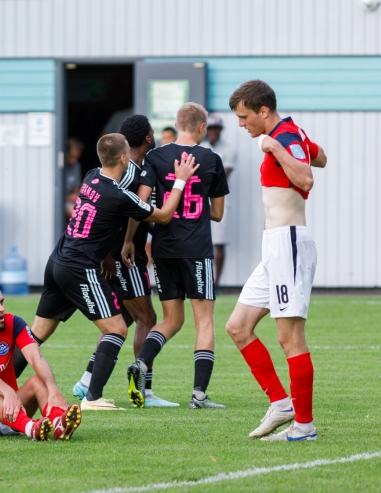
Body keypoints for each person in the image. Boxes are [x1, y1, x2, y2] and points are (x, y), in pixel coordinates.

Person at [26, 133, 198, 411]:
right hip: (78, 267)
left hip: (57, 259)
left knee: (35, 336)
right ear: (123, 158)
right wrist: (180, 180)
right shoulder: (118, 196)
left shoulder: (91, 177)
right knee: (117, 328)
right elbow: (164, 215)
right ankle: (92, 397)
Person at [224, 80, 326, 442]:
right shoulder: (292, 134)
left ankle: (305, 427)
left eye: (244, 117)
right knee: (238, 327)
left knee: (289, 338)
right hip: (274, 248)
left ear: (263, 111)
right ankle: (281, 404)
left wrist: (276, 146)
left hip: (289, 244)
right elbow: (321, 157)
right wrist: (295, 145)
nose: (242, 124)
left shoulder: (282, 137)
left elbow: (307, 178)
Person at [128, 103, 229, 410]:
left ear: (177, 123)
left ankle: (141, 363)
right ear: (201, 127)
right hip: (196, 249)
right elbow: (218, 214)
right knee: (204, 322)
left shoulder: (155, 157)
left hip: (164, 249)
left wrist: (129, 239)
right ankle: (199, 395)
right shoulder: (211, 159)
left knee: (172, 319)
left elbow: (140, 204)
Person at [73, 115, 178, 408]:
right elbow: (124, 211)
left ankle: (86, 380)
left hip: (120, 252)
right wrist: (119, 247)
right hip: (124, 255)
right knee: (147, 318)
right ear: (148, 138)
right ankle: (144, 390)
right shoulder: (131, 172)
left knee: (125, 318)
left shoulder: (127, 168)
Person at [0, 281, 81, 442]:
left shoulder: (13, 323)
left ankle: (58, 422)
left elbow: (36, 357)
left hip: (9, 411)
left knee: (38, 381)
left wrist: (53, 388)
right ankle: (31, 428)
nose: (1, 309)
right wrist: (7, 391)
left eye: (1, 302)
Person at [200, 114, 238, 295]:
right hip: (200, 199)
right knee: (200, 241)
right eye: (210, 129)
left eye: (215, 129)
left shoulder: (229, 149)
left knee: (219, 243)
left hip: (220, 200)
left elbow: (222, 175)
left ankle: (216, 283)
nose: (212, 132)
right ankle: (202, 280)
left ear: (220, 130)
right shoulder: (200, 147)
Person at [63, 138, 85, 223]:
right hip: (61, 201)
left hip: (71, 200)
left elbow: (76, 187)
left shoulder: (76, 166)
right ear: (66, 153)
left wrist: (76, 196)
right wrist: (68, 198)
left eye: (76, 157)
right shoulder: (58, 165)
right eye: (72, 157)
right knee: (74, 212)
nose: (74, 160)